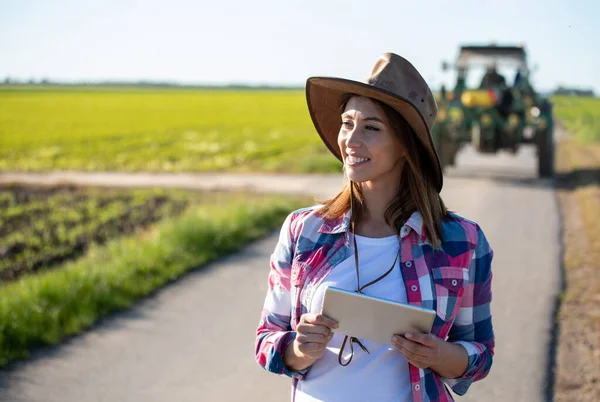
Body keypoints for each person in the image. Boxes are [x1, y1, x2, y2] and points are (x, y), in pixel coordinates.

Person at [255, 53, 494, 402]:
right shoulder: (303, 230)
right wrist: (299, 350)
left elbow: (480, 354)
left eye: (371, 127)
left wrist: (439, 355)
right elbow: (267, 340)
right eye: (347, 123)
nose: (351, 140)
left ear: (405, 145)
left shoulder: (463, 242)